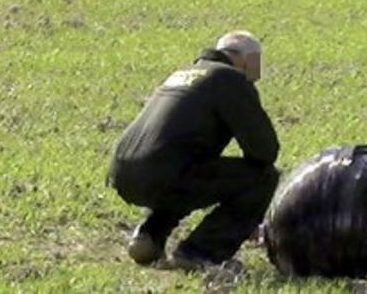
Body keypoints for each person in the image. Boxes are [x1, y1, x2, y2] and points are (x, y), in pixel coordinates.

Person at [107, 30, 280, 271]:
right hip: (164, 173)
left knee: (190, 168)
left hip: (123, 171)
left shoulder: (183, 73)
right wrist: (246, 212)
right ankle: (198, 252)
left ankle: (149, 236)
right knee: (262, 177)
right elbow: (265, 150)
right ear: (248, 59)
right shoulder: (229, 79)